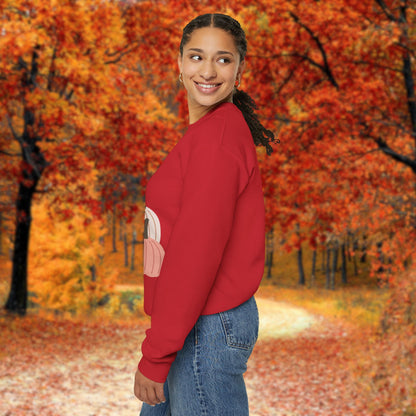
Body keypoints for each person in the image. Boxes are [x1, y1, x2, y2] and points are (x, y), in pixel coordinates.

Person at [134, 13, 276, 416]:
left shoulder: (218, 138)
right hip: (190, 323)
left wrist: (156, 356)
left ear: (239, 69)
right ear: (179, 62)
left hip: (206, 326)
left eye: (223, 59)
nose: (208, 70)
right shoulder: (209, 133)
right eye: (197, 57)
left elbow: (195, 254)